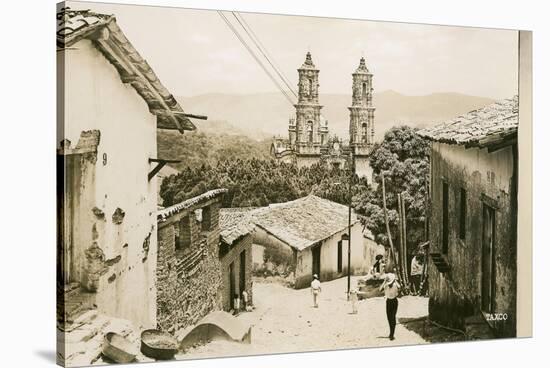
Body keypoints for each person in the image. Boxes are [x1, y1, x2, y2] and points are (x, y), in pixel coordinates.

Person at [380, 273, 400, 340]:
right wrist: (384, 281)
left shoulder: (395, 285)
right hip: (388, 302)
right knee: (389, 318)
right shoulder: (386, 286)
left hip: (394, 302)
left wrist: (394, 280)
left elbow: (400, 287)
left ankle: (392, 334)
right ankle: (391, 332)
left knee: (393, 317)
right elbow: (380, 289)